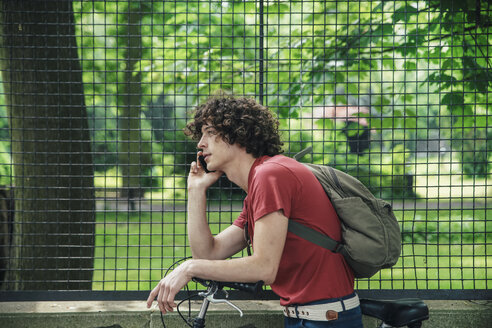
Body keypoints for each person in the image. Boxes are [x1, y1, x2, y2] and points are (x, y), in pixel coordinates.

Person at [146, 95, 363, 327]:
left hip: (326, 320)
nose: (200, 143)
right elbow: (208, 254)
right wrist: (196, 191)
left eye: (209, 132)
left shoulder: (271, 175)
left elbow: (264, 268)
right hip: (309, 317)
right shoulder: (260, 184)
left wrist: (190, 268)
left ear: (237, 133)